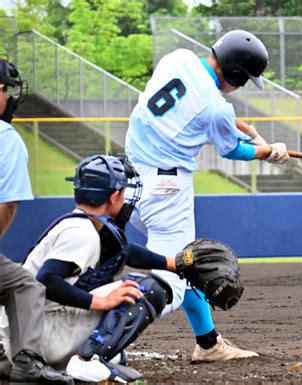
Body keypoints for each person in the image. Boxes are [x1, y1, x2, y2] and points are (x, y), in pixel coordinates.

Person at [125, 29, 290, 362]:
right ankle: (100, 337)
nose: (239, 86)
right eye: (241, 80)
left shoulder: (177, 58)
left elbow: (192, 108)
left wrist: (235, 122)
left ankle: (208, 342)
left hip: (128, 182)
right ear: (232, 73)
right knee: (170, 281)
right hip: (167, 192)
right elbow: (231, 151)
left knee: (187, 265)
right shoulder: (216, 109)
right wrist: (267, 151)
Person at [5, 153, 240, 383]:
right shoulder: (81, 233)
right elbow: (47, 279)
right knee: (146, 289)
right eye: (124, 191)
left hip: (23, 337)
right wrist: (100, 302)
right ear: (114, 195)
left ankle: (81, 358)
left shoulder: (86, 225)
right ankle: (86, 360)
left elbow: (125, 250)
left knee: (117, 350)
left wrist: (172, 263)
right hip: (30, 342)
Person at [0, 57, 74, 383]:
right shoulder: (5, 138)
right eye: (7, 89)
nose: (11, 97)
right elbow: (8, 205)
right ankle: (26, 362)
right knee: (24, 286)